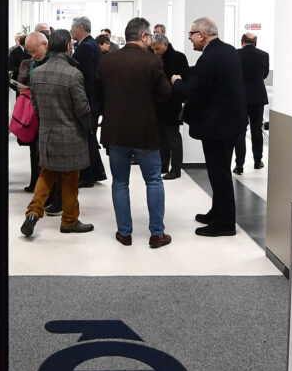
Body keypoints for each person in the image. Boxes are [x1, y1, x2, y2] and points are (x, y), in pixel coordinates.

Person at [96, 17, 174, 248]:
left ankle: (124, 233)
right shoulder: (152, 61)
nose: (150, 40)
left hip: (115, 130)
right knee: (153, 181)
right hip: (144, 131)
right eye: (149, 36)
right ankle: (157, 234)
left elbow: (98, 94)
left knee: (120, 182)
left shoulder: (107, 61)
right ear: (143, 36)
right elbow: (165, 92)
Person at [170, 17, 245, 237]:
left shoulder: (209, 57)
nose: (190, 38)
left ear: (202, 35)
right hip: (229, 123)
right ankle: (218, 211)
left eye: (191, 34)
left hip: (218, 125)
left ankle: (225, 223)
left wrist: (176, 82)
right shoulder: (228, 51)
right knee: (218, 171)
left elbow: (193, 93)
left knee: (219, 173)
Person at [20, 28, 95, 237]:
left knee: (46, 175)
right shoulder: (73, 73)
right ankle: (69, 220)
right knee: (70, 179)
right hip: (71, 135)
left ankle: (33, 213)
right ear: (68, 47)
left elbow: (35, 106)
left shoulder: (37, 73)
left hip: (47, 134)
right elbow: (82, 108)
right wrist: (87, 126)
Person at [15, 32, 59, 212]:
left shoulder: (55, 63)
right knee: (35, 152)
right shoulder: (28, 63)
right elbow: (21, 82)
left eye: (35, 51)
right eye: (29, 52)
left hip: (51, 117)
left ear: (45, 45)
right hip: (33, 114)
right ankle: (38, 187)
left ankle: (52, 196)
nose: (32, 55)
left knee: (50, 158)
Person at [69, 15, 107, 187]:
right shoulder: (90, 45)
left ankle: (87, 176)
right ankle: (97, 172)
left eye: (73, 27)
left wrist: (84, 101)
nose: (71, 31)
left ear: (81, 28)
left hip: (89, 100)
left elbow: (88, 78)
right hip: (92, 99)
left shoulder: (86, 47)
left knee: (86, 138)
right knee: (89, 137)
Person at [149, 33, 188, 179]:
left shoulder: (178, 57)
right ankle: (163, 165)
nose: (155, 52)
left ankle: (176, 168)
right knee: (161, 136)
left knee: (173, 136)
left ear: (165, 45)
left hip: (172, 103)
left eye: (157, 49)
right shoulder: (155, 58)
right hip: (158, 103)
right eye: (153, 49)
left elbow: (184, 79)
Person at [235, 32, 270, 174]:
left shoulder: (236, 54)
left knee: (240, 131)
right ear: (256, 42)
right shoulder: (264, 55)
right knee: (256, 130)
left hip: (240, 97)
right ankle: (257, 161)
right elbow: (265, 75)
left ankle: (239, 165)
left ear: (242, 41)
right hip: (257, 97)